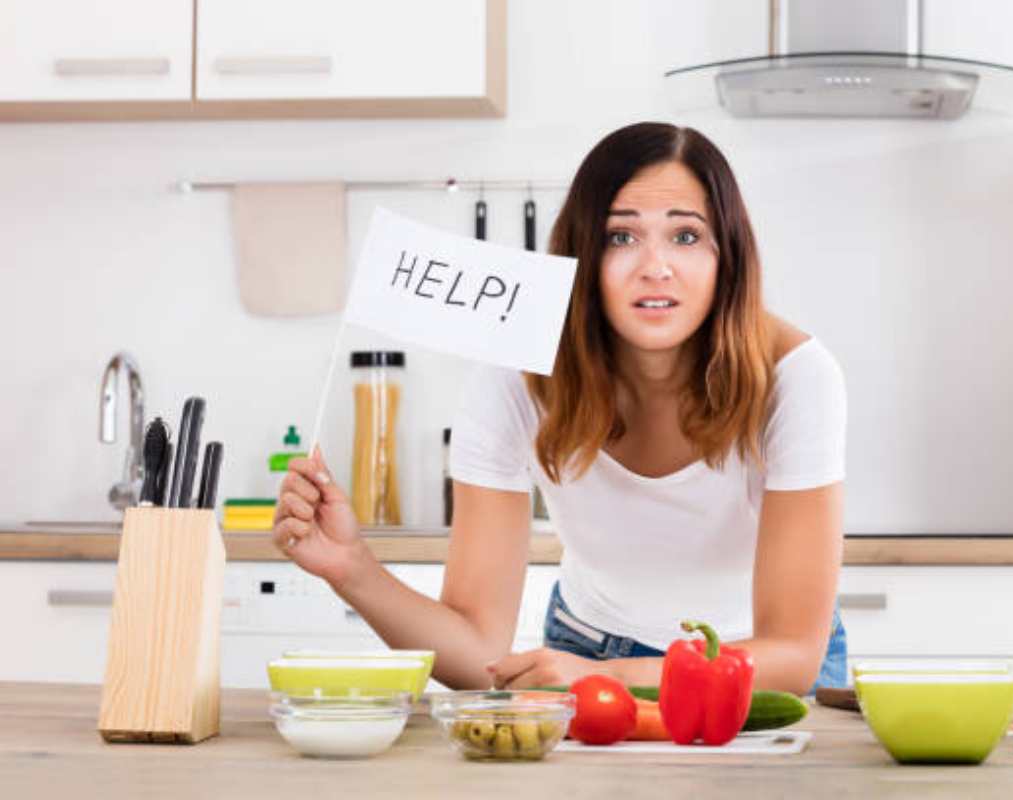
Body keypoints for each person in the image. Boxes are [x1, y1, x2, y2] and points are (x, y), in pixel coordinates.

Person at [274, 122, 847, 695]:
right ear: (582, 254)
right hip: (588, 645)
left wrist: (609, 678)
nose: (655, 266)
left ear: (729, 256)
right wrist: (353, 569)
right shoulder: (513, 377)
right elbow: (477, 652)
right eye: (621, 237)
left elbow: (793, 653)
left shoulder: (794, 378)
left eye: (686, 236)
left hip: (750, 664)